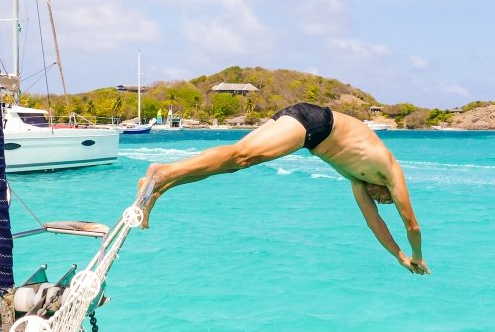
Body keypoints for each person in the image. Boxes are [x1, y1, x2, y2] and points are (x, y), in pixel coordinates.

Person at [137, 102, 429, 274]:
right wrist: (417, 255)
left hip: (307, 127)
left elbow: (373, 222)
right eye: (387, 200)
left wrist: (400, 257)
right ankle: (162, 172)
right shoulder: (390, 170)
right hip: (316, 124)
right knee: (243, 156)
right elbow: (412, 225)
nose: (382, 201)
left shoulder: (357, 179)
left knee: (234, 161)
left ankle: (159, 188)